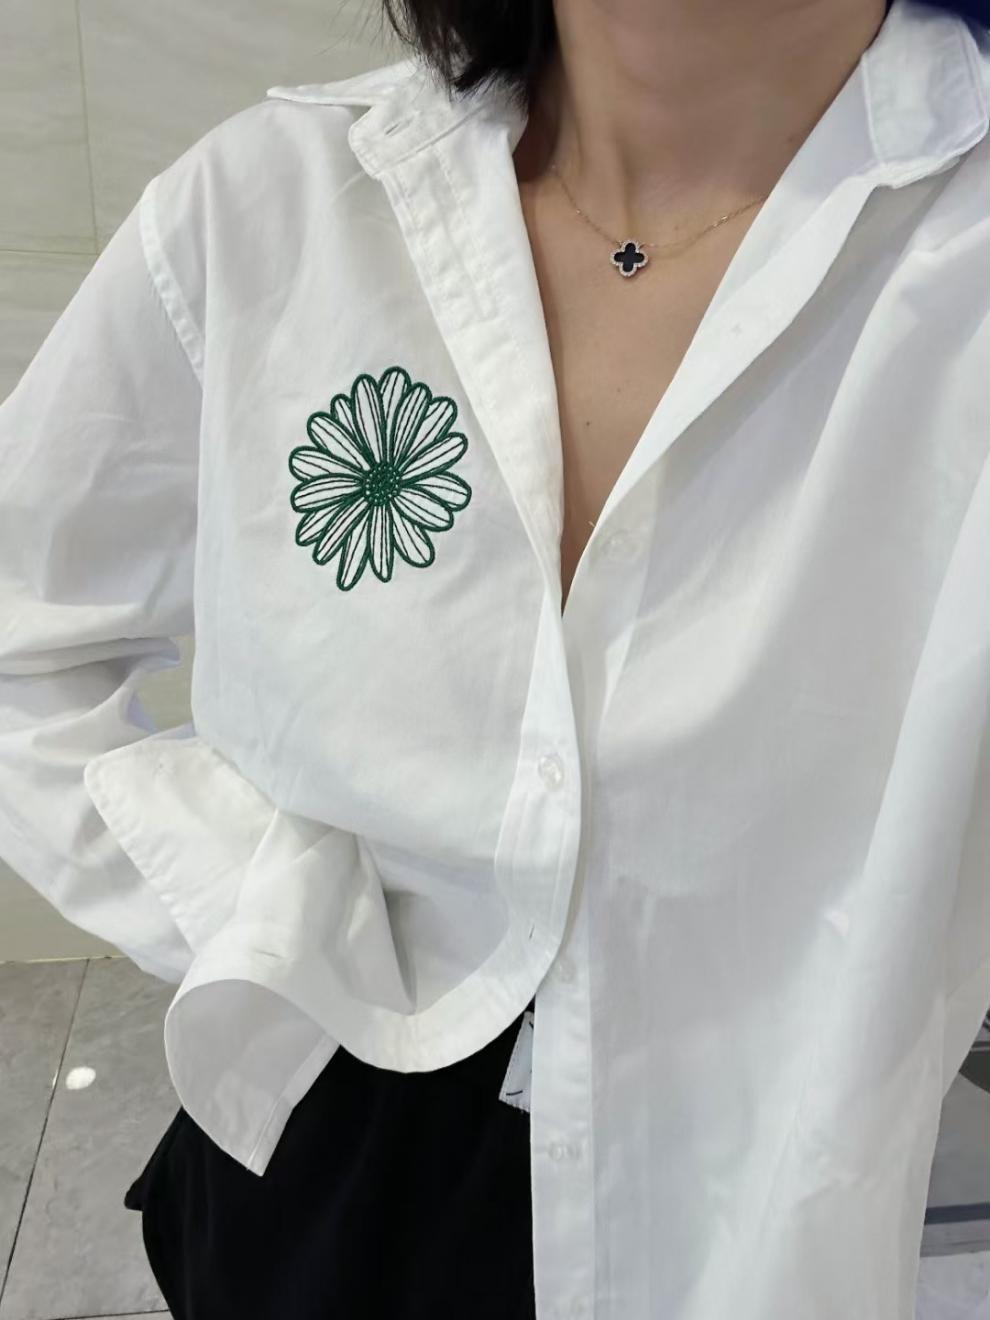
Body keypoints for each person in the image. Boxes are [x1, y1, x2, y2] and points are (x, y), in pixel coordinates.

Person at [2, 0, 990, 1316]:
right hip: (319, 1170)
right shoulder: (273, 209)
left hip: (753, 1226)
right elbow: (24, 630)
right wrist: (259, 911)